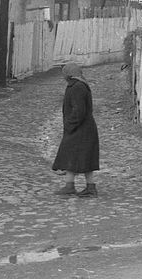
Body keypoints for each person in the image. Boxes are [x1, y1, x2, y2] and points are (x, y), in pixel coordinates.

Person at [52, 62, 100, 198]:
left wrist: (69, 125)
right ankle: (81, 187)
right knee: (81, 158)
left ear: (69, 75)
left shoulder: (77, 87)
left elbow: (79, 111)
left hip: (80, 129)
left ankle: (75, 187)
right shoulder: (79, 85)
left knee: (73, 156)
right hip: (84, 128)